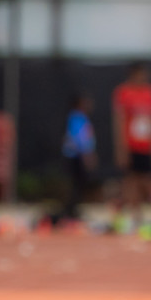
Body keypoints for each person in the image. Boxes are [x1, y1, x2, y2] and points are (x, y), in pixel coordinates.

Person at [112, 63, 151, 228]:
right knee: (131, 180)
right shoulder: (123, 93)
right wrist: (121, 148)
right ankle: (135, 216)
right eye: (141, 75)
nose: (144, 78)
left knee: (146, 182)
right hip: (131, 145)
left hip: (147, 145)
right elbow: (118, 122)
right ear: (133, 75)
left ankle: (122, 206)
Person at [61, 93, 97, 224]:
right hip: (76, 157)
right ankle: (71, 211)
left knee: (78, 184)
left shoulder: (78, 118)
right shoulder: (77, 118)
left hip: (77, 156)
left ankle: (73, 210)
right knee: (77, 184)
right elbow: (80, 140)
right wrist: (87, 156)